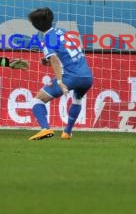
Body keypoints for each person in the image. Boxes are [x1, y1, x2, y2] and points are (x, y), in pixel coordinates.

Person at [27, 7, 93, 140]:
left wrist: (59, 81)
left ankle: (45, 129)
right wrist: (48, 60)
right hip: (87, 77)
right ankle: (67, 132)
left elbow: (55, 59)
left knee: (37, 100)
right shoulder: (63, 31)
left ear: (35, 25)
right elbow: (66, 52)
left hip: (70, 77)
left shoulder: (47, 38)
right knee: (77, 100)